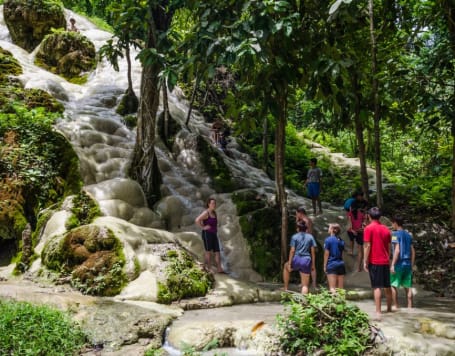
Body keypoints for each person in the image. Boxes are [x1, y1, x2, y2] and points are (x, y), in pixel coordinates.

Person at [363, 207, 392, 319]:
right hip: (385, 261)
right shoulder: (386, 229)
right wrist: (388, 258)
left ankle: (378, 312)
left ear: (369, 216)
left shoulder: (368, 228)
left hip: (374, 261)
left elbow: (367, 245)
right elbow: (389, 247)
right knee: (387, 285)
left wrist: (365, 260)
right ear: (380, 216)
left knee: (377, 287)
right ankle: (389, 308)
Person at [283, 221, 316, 294]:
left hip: (297, 259)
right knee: (305, 285)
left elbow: (292, 250)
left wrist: (289, 263)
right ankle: (303, 302)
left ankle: (285, 288)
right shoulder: (310, 237)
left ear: (298, 229)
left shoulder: (294, 236)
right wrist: (313, 264)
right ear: (306, 229)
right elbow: (313, 252)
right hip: (306, 260)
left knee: (286, 267)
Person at [390, 215, 415, 309]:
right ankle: (410, 307)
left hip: (399, 264)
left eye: (392, 223)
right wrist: (411, 265)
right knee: (408, 287)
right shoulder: (408, 235)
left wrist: (392, 265)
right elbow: (413, 251)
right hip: (408, 263)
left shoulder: (394, 234)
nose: (392, 225)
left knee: (393, 285)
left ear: (395, 223)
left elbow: (397, 250)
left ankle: (396, 307)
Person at [195, 198, 225, 273]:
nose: (214, 205)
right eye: (212, 203)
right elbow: (197, 220)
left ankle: (219, 269)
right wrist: (203, 227)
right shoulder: (206, 213)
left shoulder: (214, 213)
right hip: (207, 234)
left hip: (214, 234)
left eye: (214, 203)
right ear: (208, 204)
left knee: (217, 251)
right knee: (208, 251)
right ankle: (208, 268)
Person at [296, 206, 317, 289]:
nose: (296, 215)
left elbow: (306, 232)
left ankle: (307, 283)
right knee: (310, 263)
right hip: (310, 242)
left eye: (297, 214)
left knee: (308, 263)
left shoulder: (305, 221)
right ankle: (311, 283)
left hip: (305, 243)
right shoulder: (308, 219)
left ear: (300, 213)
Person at [347, 191, 368, 271]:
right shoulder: (361, 214)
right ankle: (359, 267)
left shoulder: (350, 214)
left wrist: (352, 230)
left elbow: (349, 224)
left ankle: (351, 251)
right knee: (360, 250)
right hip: (360, 232)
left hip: (352, 231)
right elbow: (364, 223)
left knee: (351, 240)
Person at [323, 223, 345, 293]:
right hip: (341, 264)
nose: (328, 229)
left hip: (331, 264)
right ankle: (342, 302)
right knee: (340, 289)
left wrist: (324, 265)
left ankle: (334, 303)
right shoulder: (341, 241)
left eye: (329, 227)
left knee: (332, 288)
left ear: (332, 230)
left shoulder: (328, 240)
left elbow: (326, 254)